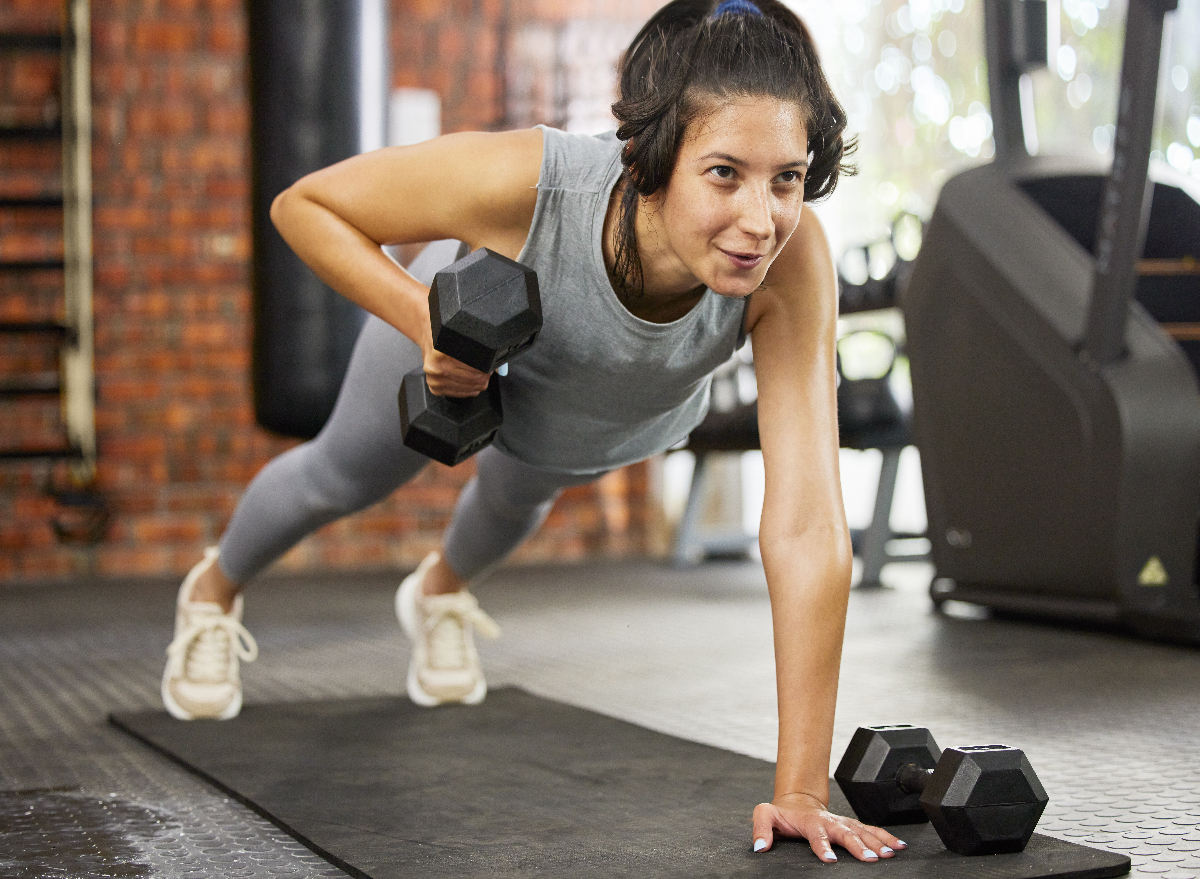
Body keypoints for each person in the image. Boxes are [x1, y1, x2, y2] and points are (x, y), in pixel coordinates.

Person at [161, 0, 906, 864]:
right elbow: (306, 206)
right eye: (725, 174)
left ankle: (438, 590)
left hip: (596, 413)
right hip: (467, 338)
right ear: (653, 156)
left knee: (522, 489)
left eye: (786, 177)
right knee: (343, 475)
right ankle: (211, 593)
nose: (760, 220)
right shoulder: (531, 178)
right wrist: (425, 323)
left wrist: (802, 791)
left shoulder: (795, 260)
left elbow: (810, 522)